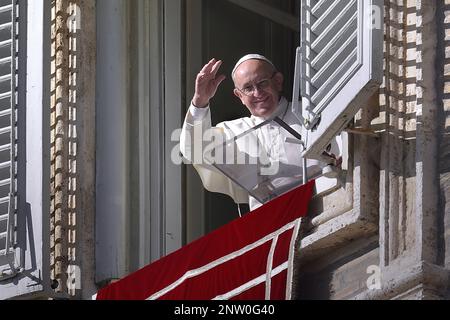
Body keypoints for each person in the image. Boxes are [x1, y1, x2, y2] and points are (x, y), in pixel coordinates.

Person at [180, 54, 338, 211]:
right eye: (248, 88)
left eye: (262, 83)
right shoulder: (232, 131)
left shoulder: (312, 111)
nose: (257, 93)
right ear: (239, 95)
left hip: (325, 206)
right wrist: (200, 100)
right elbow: (193, 150)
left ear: (277, 81)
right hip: (270, 221)